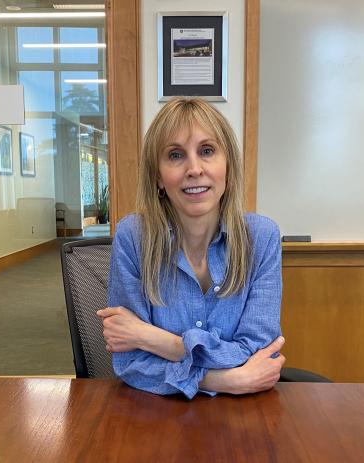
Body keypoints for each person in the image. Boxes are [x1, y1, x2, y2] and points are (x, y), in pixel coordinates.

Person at [97, 97, 285, 399]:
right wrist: (224, 381)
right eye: (175, 155)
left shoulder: (261, 238)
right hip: (158, 420)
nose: (194, 168)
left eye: (207, 151)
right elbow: (131, 363)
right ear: (158, 176)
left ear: (228, 166)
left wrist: (153, 339)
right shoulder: (133, 237)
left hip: (242, 421)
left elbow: (258, 354)